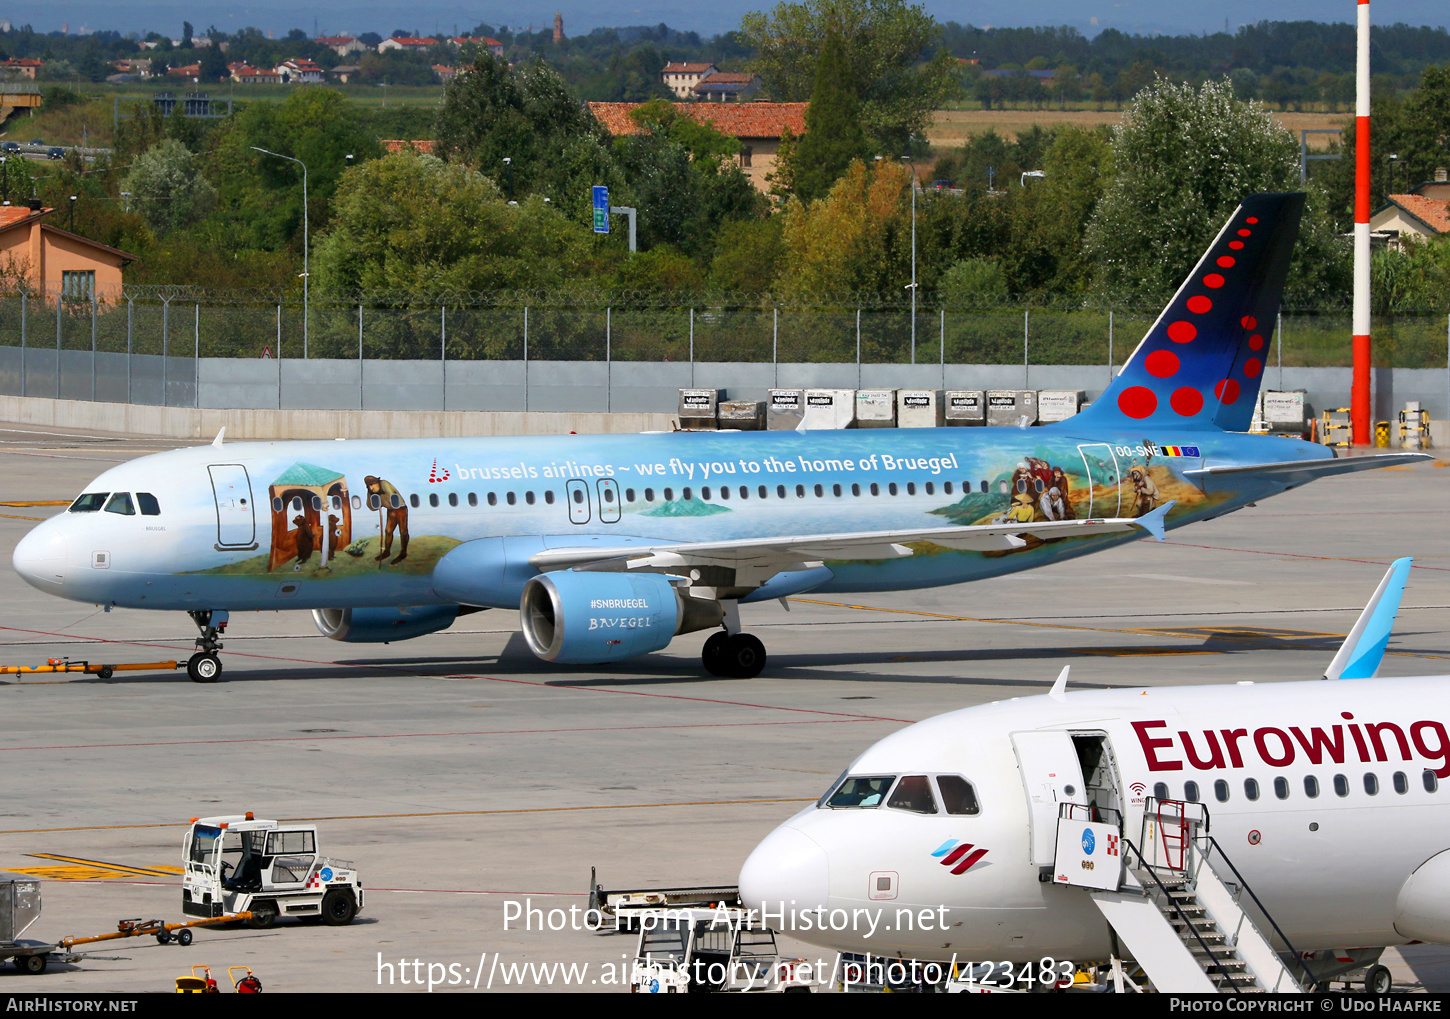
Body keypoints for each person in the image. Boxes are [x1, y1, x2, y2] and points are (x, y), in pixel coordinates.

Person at [364, 476, 410, 564]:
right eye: (368, 486)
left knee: (403, 531)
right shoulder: (372, 491)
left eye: (372, 485)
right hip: (391, 510)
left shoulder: (384, 484)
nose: (371, 488)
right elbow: (371, 507)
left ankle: (403, 552)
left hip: (400, 509)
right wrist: (370, 494)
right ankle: (387, 551)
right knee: (388, 530)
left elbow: (392, 497)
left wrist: (380, 497)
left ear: (377, 482)